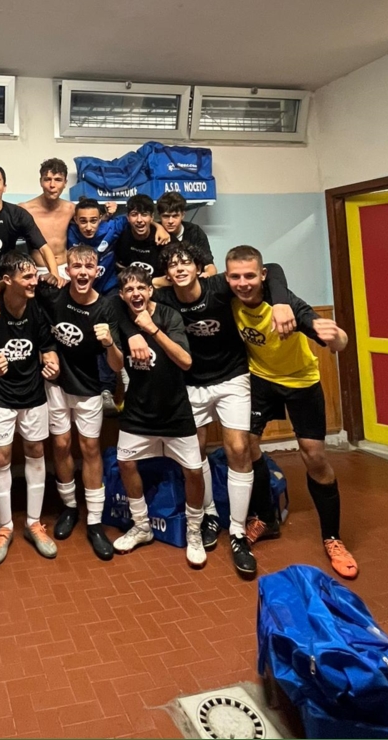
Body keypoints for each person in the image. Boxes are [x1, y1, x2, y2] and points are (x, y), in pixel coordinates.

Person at [139, 241, 295, 576]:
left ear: (199, 267)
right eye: (173, 265)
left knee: (237, 447)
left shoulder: (219, 286)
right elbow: (131, 289)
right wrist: (157, 282)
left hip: (231, 378)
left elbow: (273, 269)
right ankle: (209, 514)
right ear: (167, 273)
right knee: (193, 451)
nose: (180, 268)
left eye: (186, 263)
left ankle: (237, 531)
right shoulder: (163, 298)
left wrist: (282, 302)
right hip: (191, 382)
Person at [0, 244, 123, 560]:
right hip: (55, 386)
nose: (83, 273)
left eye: (89, 267)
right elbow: (14, 280)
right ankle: (69, 507)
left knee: (90, 448)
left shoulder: (107, 307)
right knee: (60, 445)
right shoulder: (51, 293)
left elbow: (116, 365)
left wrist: (110, 344)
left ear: (97, 271)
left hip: (88, 388)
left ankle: (95, 522)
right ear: (67, 271)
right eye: (77, 267)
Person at [225, 245, 358, 579]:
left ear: (262, 276)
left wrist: (336, 337)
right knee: (247, 445)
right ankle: (266, 518)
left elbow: (338, 342)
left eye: (250, 275)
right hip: (261, 380)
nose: (243, 283)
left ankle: (332, 537)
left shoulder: (286, 305)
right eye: (236, 276)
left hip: (301, 382)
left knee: (314, 456)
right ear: (227, 277)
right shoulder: (227, 298)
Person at [0, 251, 60, 565]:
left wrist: (52, 362)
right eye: (27, 277)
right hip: (0, 396)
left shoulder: (38, 306)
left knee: (35, 451)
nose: (34, 281)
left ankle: (34, 523)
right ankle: (5, 527)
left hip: (33, 394)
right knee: (0, 457)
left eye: (34, 275)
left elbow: (47, 345)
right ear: (7, 280)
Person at [113, 266, 207, 569]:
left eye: (140, 288)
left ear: (150, 290)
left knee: (193, 471)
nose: (136, 294)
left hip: (175, 409)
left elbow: (186, 361)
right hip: (138, 410)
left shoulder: (169, 315)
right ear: (122, 295)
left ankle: (194, 531)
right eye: (129, 290)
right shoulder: (120, 317)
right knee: (125, 463)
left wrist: (152, 330)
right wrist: (112, 342)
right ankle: (142, 526)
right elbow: (115, 365)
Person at [67, 199, 128, 413]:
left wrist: (159, 228)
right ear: (75, 221)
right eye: (83, 221)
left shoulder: (112, 226)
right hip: (81, 293)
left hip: (108, 291)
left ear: (101, 219)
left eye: (93, 220)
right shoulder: (69, 232)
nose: (88, 226)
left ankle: (108, 389)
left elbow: (138, 217)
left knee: (108, 335)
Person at [0, 163, 61, 282]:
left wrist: (55, 275)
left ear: (4, 187)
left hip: (8, 278)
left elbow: (44, 248)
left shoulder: (18, 215)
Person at [18, 159, 76, 276]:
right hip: (38, 270)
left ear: (65, 183)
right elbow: (0, 216)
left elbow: (94, 222)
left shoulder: (71, 209)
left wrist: (109, 212)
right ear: (41, 181)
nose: (52, 185)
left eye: (58, 180)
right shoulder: (25, 209)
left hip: (65, 268)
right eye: (47, 179)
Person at [156, 193, 217, 276]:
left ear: (183, 215)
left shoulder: (195, 232)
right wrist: (156, 226)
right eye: (166, 216)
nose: (170, 221)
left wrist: (208, 274)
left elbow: (209, 264)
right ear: (159, 216)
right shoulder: (154, 232)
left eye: (175, 216)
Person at [115, 194, 170, 277]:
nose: (139, 220)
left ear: (152, 217)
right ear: (128, 218)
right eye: (134, 215)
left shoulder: (164, 239)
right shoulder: (121, 237)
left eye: (144, 214)